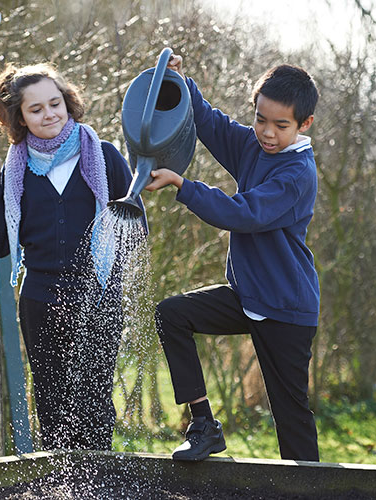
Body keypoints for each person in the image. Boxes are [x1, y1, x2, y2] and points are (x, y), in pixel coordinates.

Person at [143, 54, 320, 462]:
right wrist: (182, 84)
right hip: (246, 297)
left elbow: (242, 214)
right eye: (261, 119)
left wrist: (182, 186)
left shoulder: (296, 174)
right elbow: (209, 122)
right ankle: (203, 426)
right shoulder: (252, 145)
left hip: (285, 308)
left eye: (281, 125)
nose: (267, 133)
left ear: (304, 124)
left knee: (291, 418)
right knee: (171, 314)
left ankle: (312, 489)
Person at [0, 63, 146, 450]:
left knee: (94, 402)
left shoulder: (103, 156)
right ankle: (61, 486)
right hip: (41, 300)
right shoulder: (14, 172)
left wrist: (107, 270)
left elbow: (136, 228)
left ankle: (99, 482)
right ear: (18, 117)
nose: (49, 114)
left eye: (55, 103)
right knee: (52, 404)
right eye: (36, 109)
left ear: (68, 103)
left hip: (98, 297)